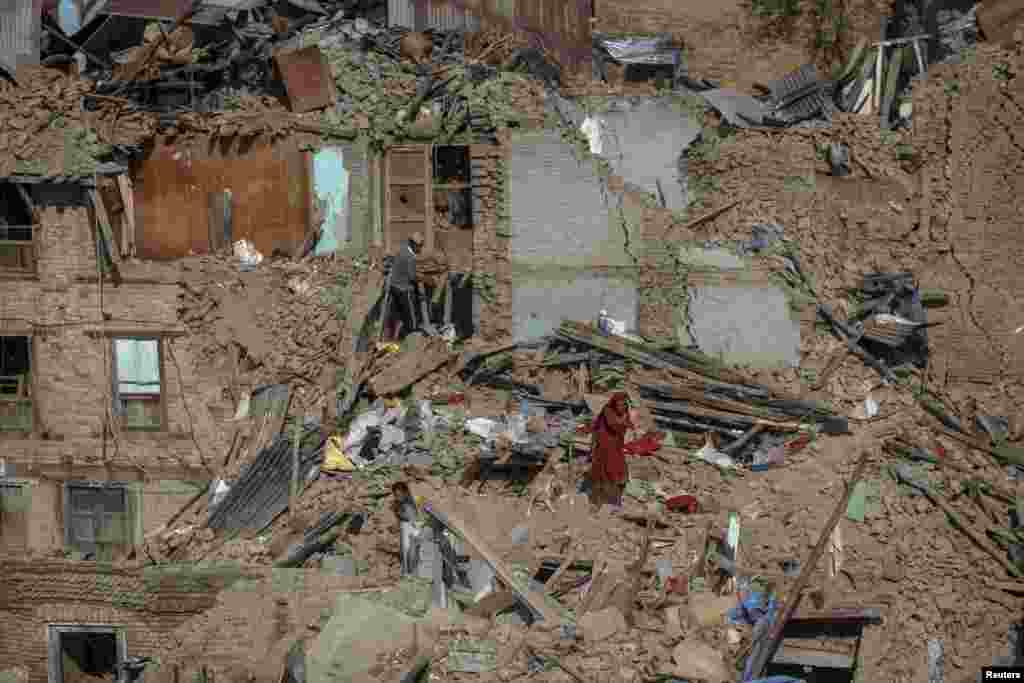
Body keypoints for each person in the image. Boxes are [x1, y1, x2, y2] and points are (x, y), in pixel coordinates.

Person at [589, 391, 635, 510]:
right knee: (603, 470)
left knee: (618, 469)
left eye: (624, 404)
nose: (622, 406)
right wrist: (624, 422)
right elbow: (613, 424)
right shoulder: (607, 410)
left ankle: (614, 500)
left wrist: (627, 423)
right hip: (604, 444)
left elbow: (626, 424)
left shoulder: (625, 411)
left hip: (616, 445)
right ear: (614, 403)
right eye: (619, 404)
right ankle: (598, 501)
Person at [386, 232, 424, 340]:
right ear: (414, 245)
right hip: (404, 289)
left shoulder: (402, 250)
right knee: (411, 315)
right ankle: (413, 334)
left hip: (394, 287)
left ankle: (394, 337)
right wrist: (423, 278)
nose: (421, 248)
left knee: (397, 315)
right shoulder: (410, 257)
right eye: (420, 246)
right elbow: (412, 277)